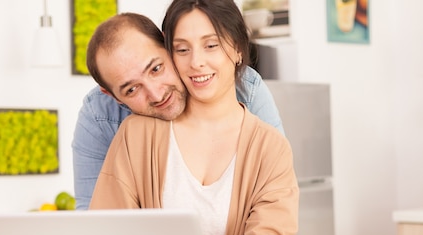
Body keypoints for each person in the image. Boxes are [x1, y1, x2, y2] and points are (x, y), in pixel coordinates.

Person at [88, 0, 299, 235]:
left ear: (239, 48)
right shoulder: (136, 135)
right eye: (182, 49)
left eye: (211, 44)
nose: (196, 62)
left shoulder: (270, 147)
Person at [72, 13, 284, 210]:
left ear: (169, 46)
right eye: (132, 89)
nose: (156, 94)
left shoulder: (244, 87)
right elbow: (96, 222)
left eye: (156, 68)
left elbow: (277, 197)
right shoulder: (99, 116)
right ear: (111, 95)